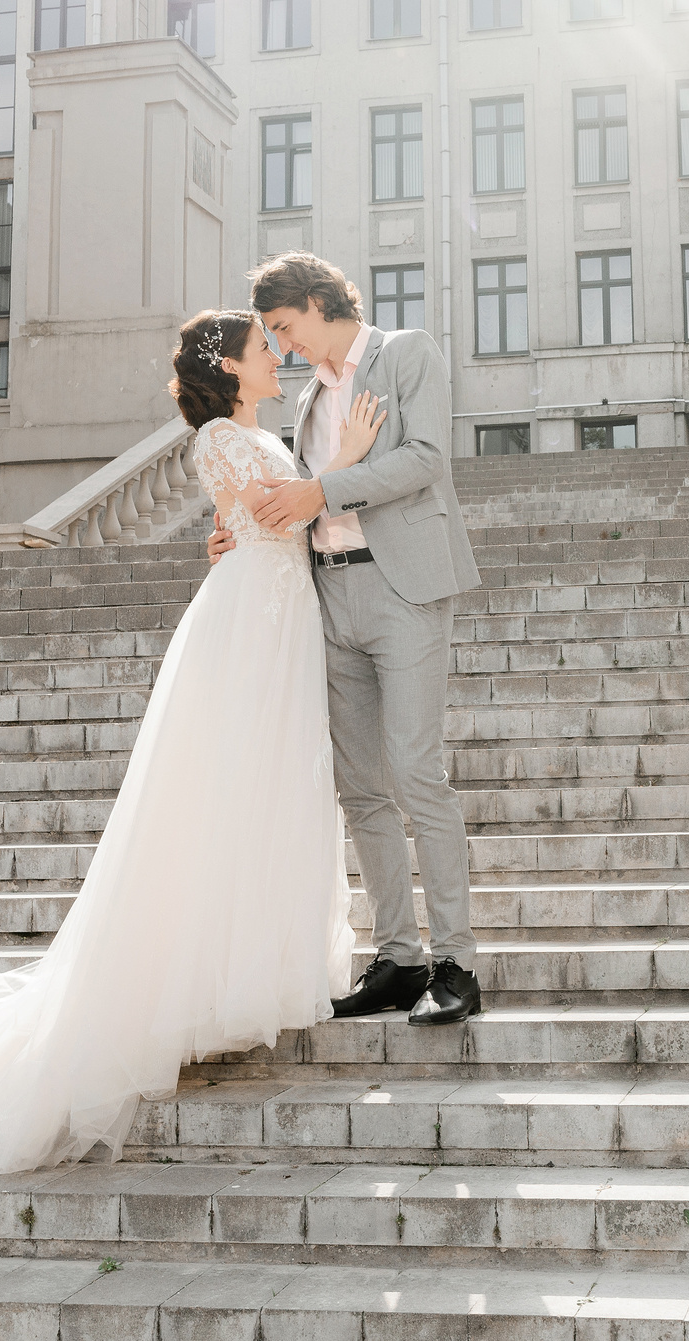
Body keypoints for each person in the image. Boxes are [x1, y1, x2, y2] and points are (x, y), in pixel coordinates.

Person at [0, 309, 385, 1175]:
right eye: (263, 349)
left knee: (277, 786)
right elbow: (274, 514)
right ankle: (202, 979)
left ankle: (258, 964)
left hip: (280, 613)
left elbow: (264, 518)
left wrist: (301, 490)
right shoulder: (217, 437)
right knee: (228, 787)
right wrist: (348, 466)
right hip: (249, 620)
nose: (274, 357)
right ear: (231, 368)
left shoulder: (261, 432)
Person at [213, 252, 485, 1028]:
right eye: (272, 335)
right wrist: (236, 536)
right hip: (330, 594)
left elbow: (428, 458)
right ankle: (400, 958)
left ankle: (457, 962)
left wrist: (325, 486)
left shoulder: (407, 353)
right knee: (359, 786)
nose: (283, 345)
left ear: (316, 301)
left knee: (414, 770)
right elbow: (294, 502)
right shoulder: (305, 407)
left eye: (285, 327)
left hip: (404, 587)